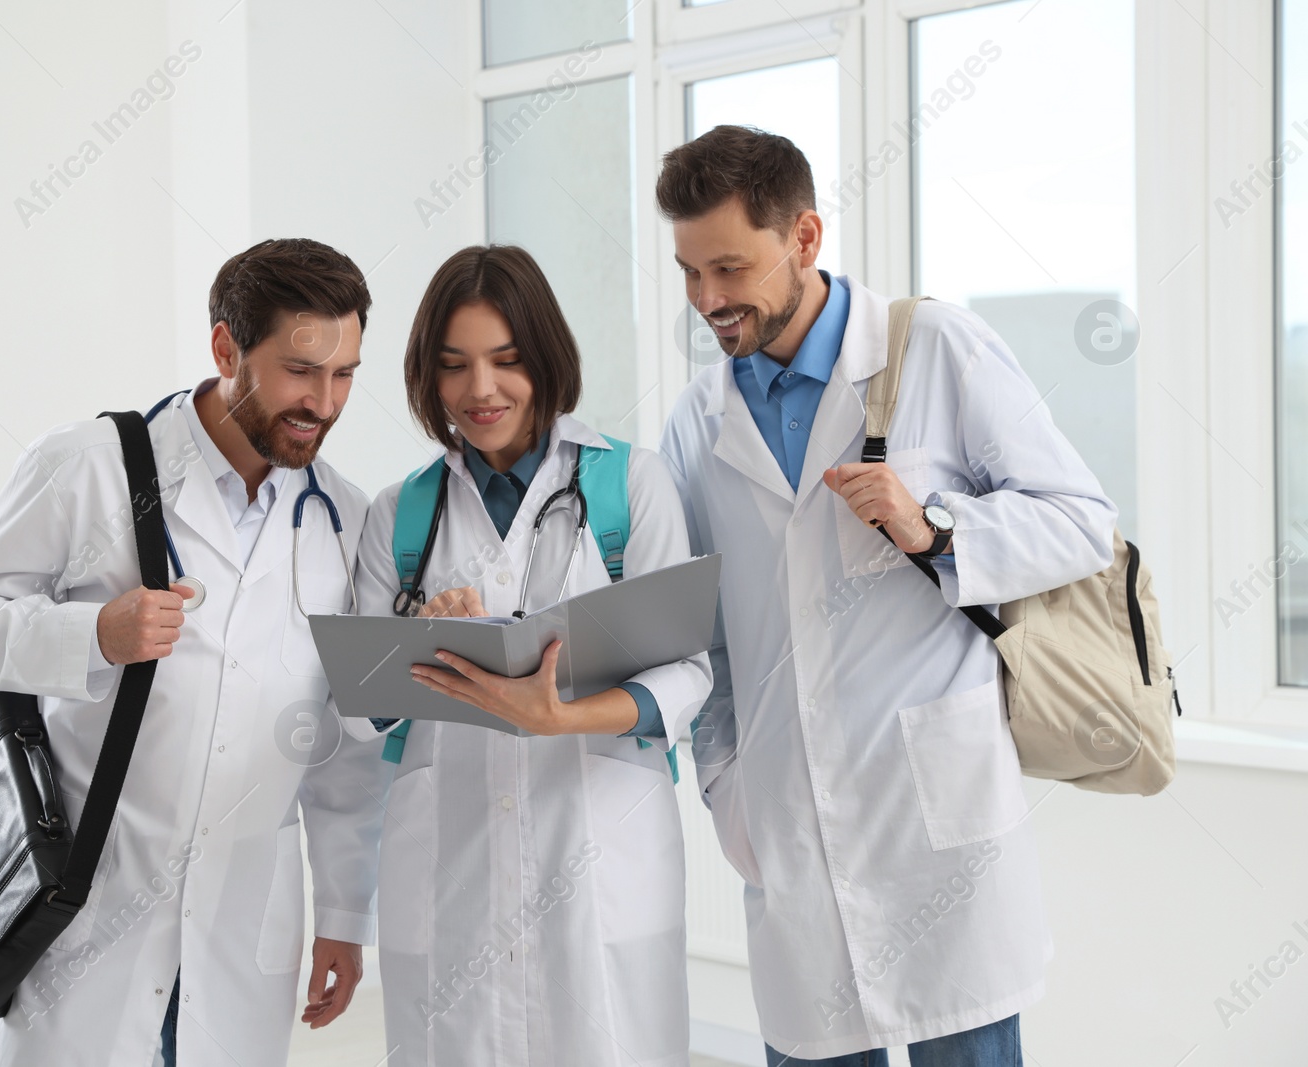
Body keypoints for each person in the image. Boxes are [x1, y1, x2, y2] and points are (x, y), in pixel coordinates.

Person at [655, 126, 1117, 1066]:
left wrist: (937, 529)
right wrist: (725, 785)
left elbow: (1082, 522)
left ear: (806, 238)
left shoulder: (936, 347)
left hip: (935, 822)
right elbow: (696, 635)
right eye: (690, 272)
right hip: (784, 824)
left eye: (730, 268)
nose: (708, 300)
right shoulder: (700, 419)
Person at [0, 238, 387, 1067]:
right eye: (299, 371)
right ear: (225, 349)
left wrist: (346, 918)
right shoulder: (88, 467)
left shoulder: (344, 518)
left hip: (245, 923)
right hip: (91, 911)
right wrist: (93, 635)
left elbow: (345, 748)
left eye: (346, 373)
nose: (324, 401)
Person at [344, 245, 711, 1066]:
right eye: (454, 365)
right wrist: (421, 640)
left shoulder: (631, 487)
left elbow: (687, 671)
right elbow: (364, 711)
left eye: (507, 361)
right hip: (450, 871)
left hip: (599, 861)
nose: (481, 390)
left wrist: (561, 716)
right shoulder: (398, 516)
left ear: (546, 358)